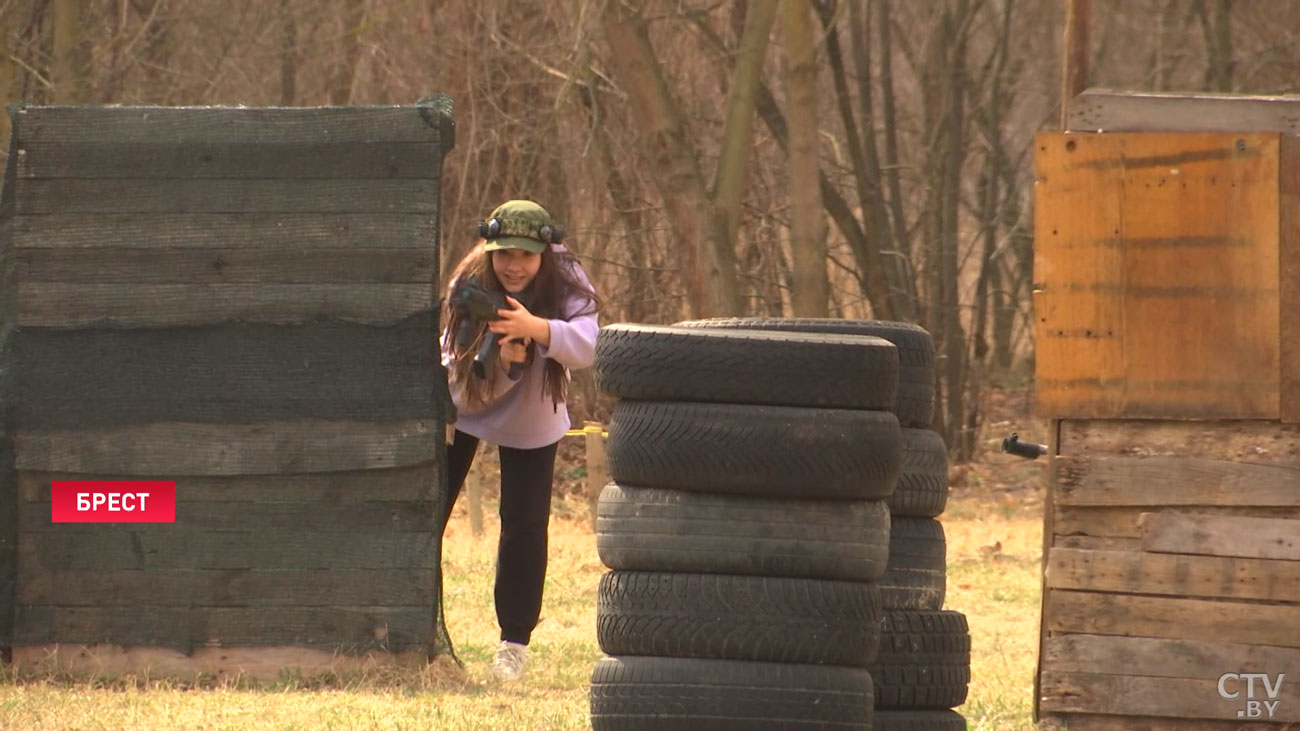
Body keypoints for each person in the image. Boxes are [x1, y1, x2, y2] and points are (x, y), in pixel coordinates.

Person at [439, 199, 600, 682]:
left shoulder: (567, 277)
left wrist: (535, 330)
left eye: (526, 256)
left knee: (525, 528)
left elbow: (589, 345)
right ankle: (411, 623)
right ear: (488, 249)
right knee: (427, 513)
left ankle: (513, 645)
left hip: (535, 415)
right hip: (465, 409)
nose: (514, 265)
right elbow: (453, 374)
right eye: (504, 253)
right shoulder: (469, 284)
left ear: (545, 252)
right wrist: (504, 365)